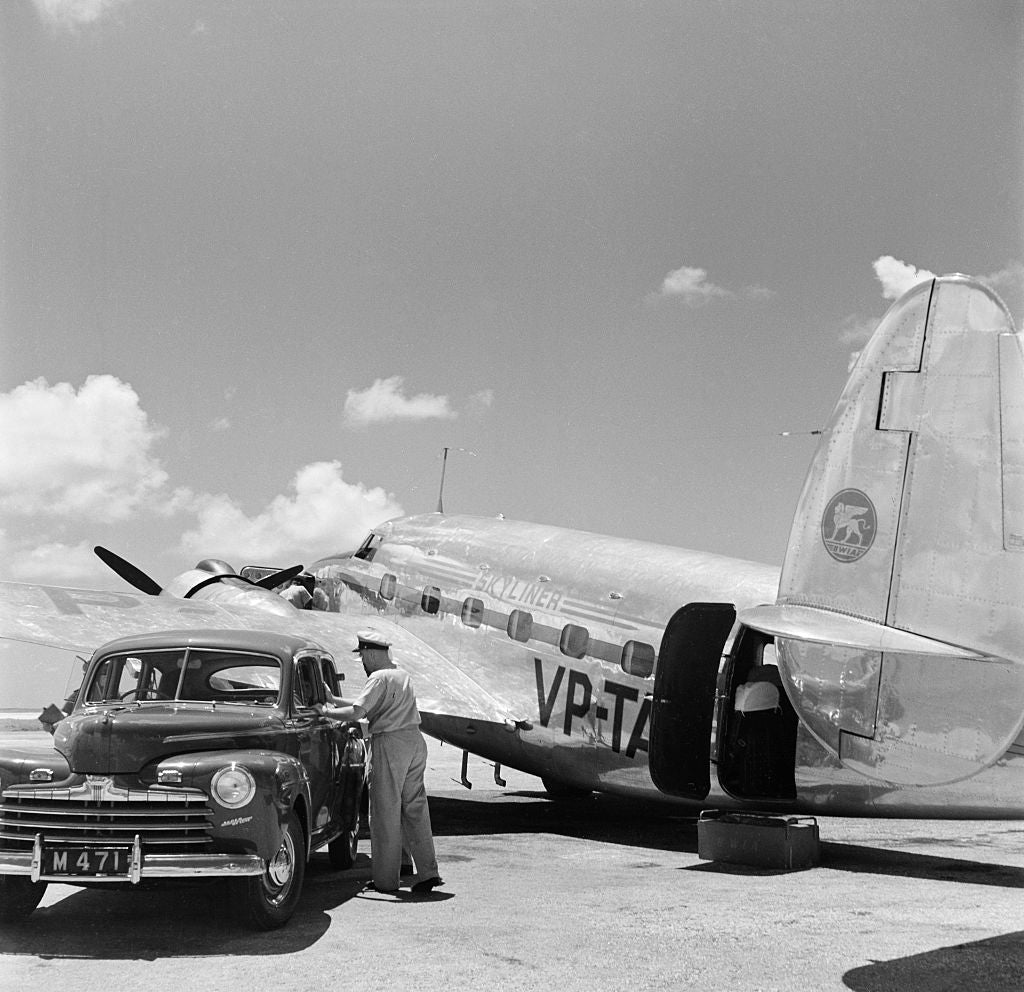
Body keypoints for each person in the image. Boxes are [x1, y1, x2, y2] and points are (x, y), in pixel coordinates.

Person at [321, 629, 442, 894]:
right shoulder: (401, 674)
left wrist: (326, 712)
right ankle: (428, 872)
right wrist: (333, 700)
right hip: (414, 742)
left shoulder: (378, 677)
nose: (363, 661)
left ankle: (386, 881)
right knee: (415, 808)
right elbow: (367, 704)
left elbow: (357, 712)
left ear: (371, 653)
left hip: (390, 744)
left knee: (385, 812)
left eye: (363, 655)